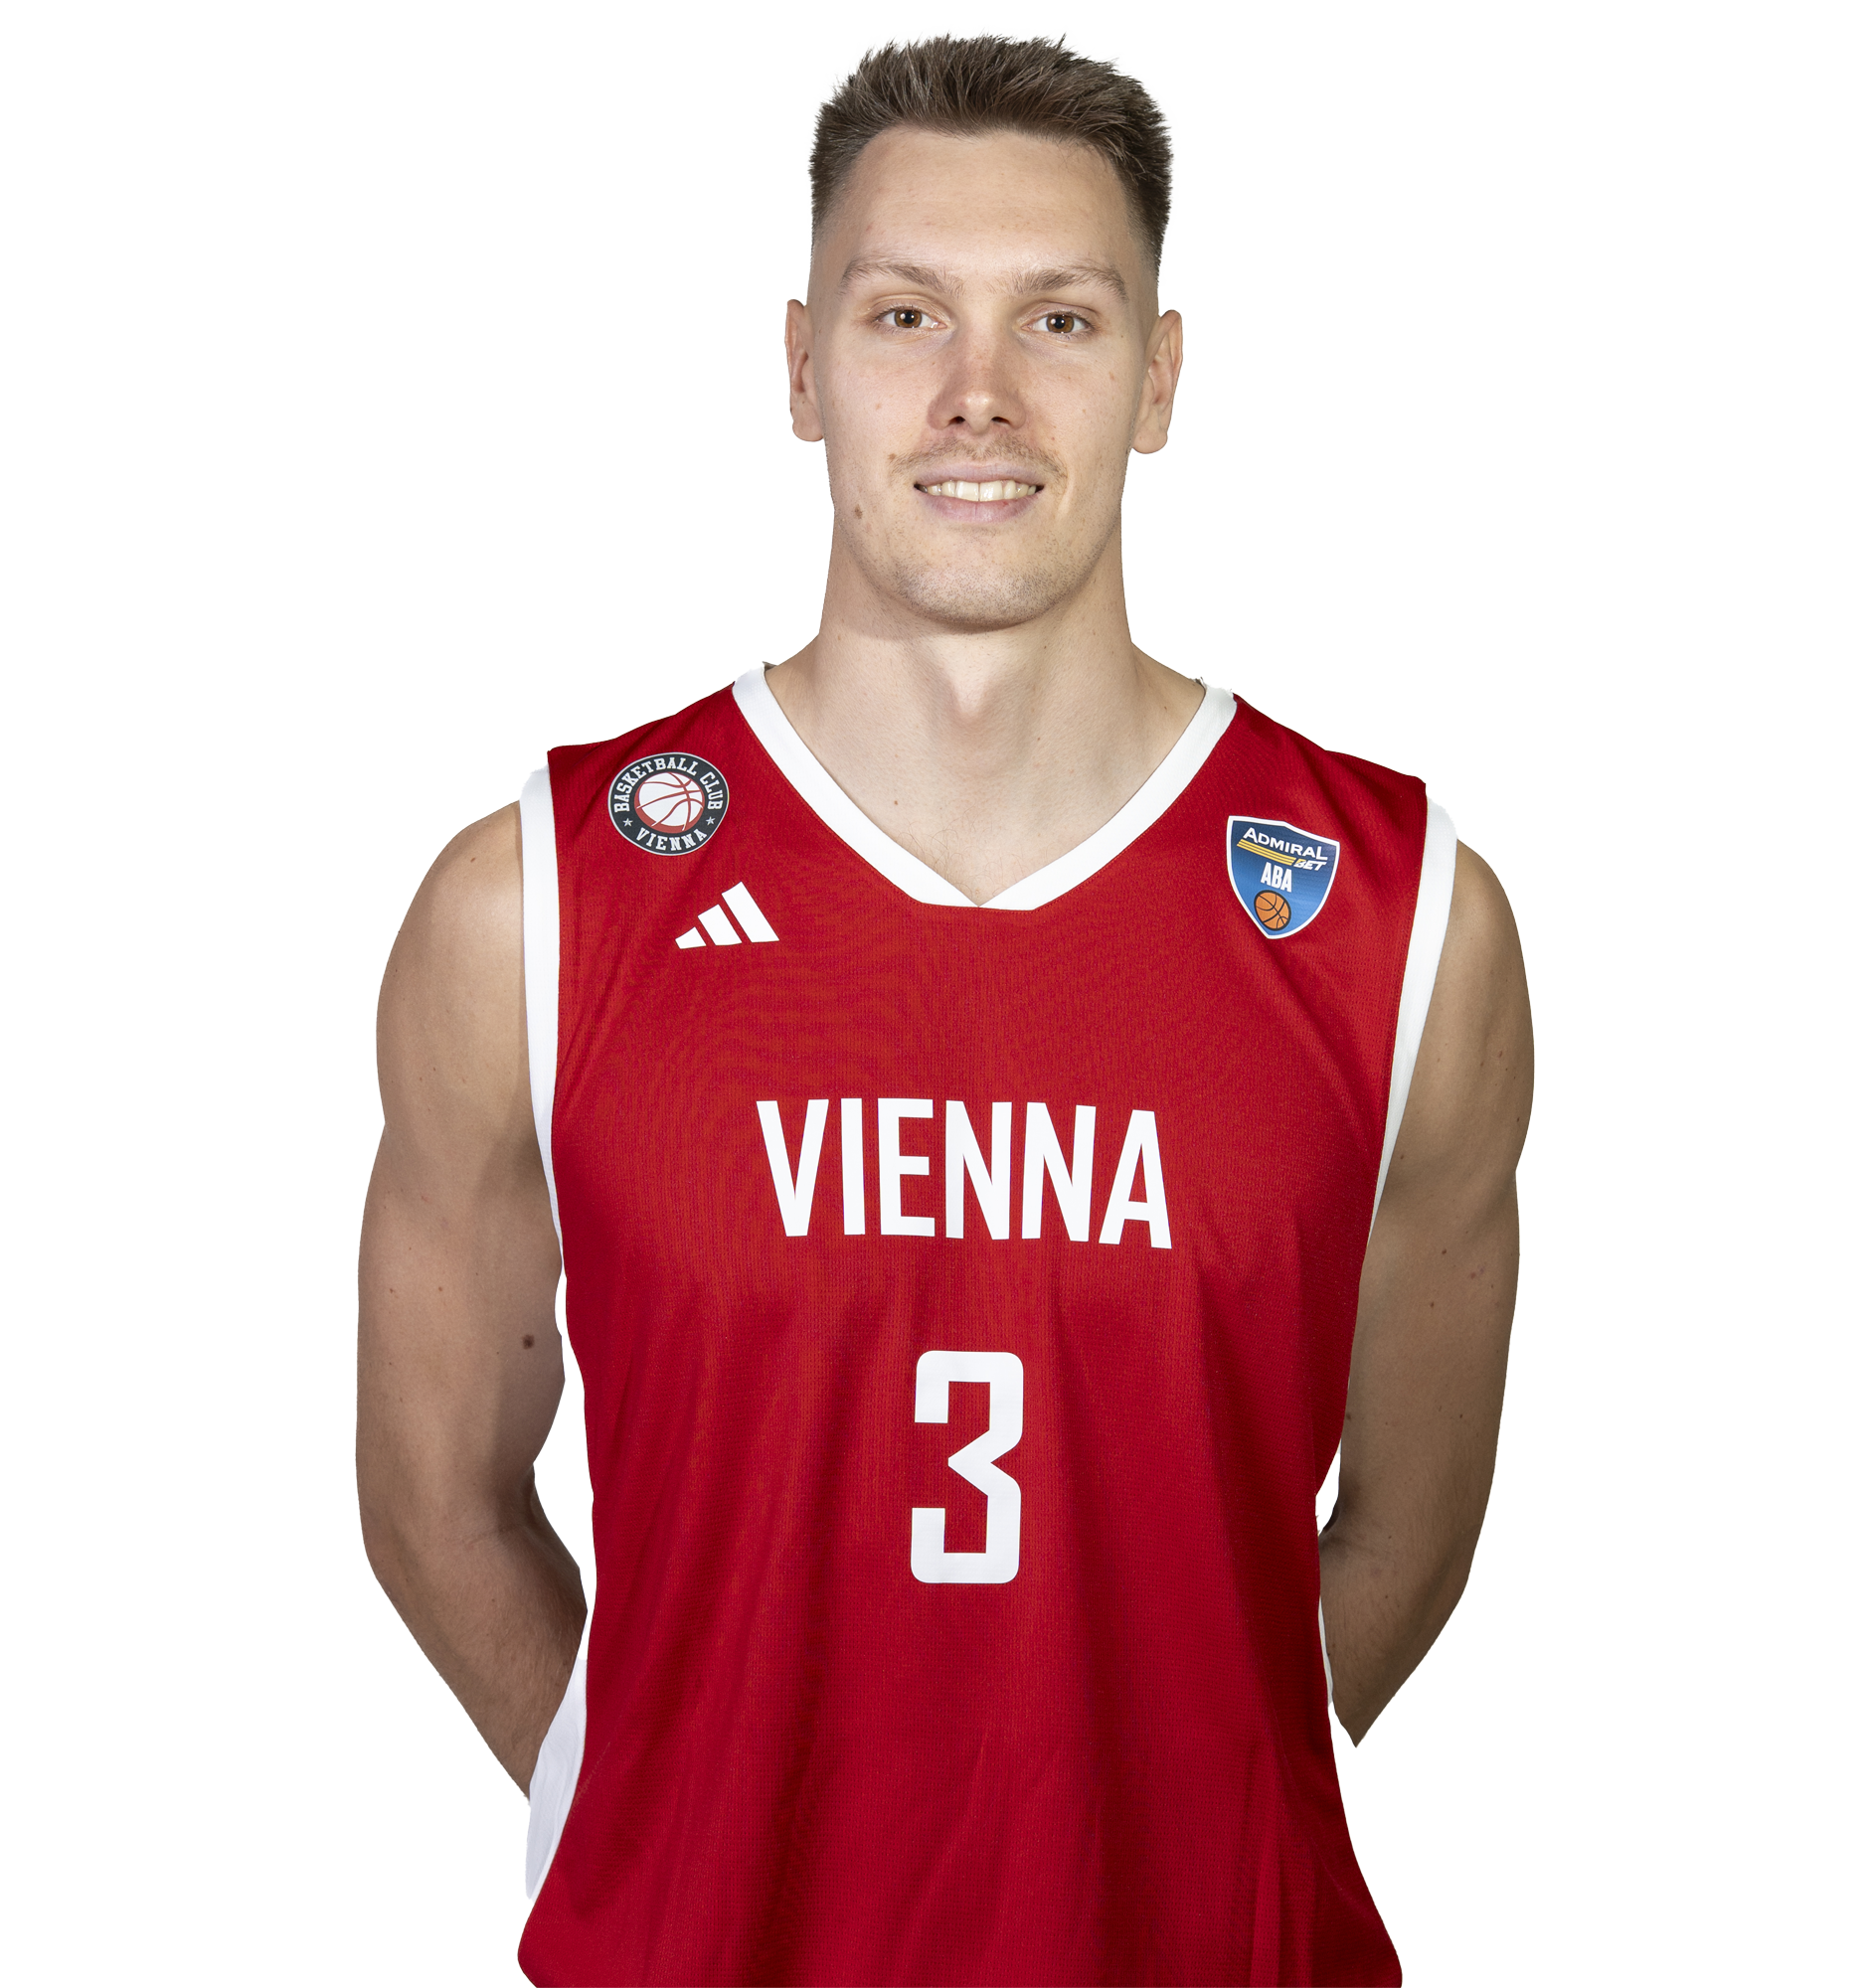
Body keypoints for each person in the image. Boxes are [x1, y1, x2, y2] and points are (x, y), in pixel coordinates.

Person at [358, 30, 1531, 1986]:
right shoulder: (538, 904)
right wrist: (632, 1802)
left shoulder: (1400, 923)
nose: (977, 392)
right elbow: (433, 1491)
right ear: (801, 364)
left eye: (1060, 318)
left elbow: (1405, 1528)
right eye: (904, 313)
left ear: (1157, 378)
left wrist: (1193, 1804)